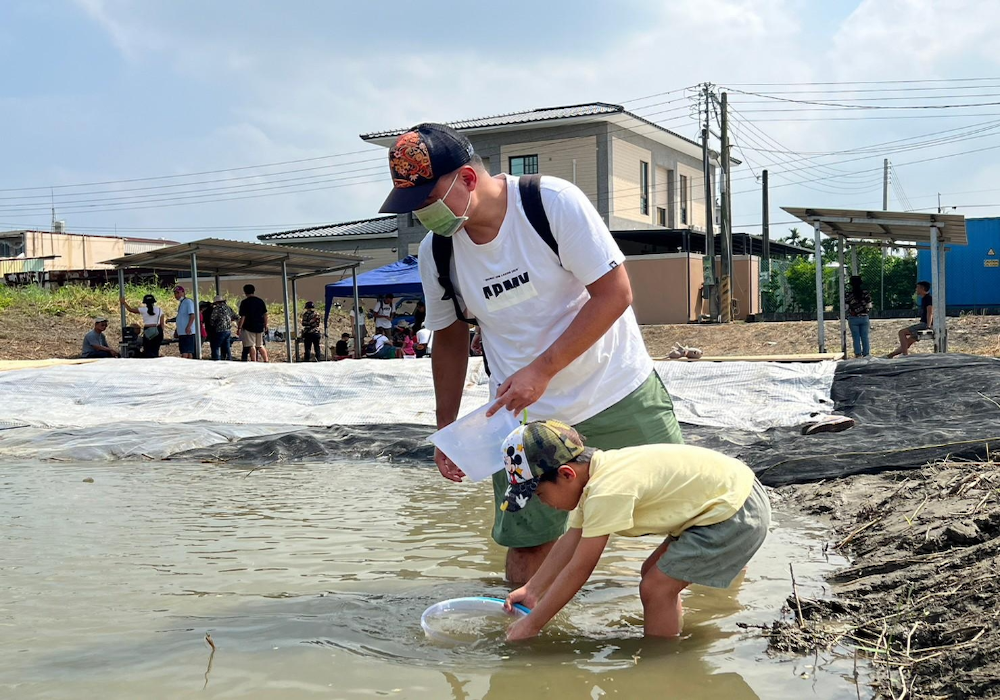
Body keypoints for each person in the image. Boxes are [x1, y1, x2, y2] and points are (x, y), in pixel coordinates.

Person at [379, 123, 683, 584]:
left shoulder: (551, 203)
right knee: (527, 540)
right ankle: (526, 644)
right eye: (412, 202)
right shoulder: (437, 251)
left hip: (618, 391)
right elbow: (450, 336)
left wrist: (541, 370)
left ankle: (708, 624)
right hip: (525, 423)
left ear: (465, 179)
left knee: (684, 515)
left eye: (427, 197)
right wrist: (448, 432)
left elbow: (614, 293)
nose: (421, 211)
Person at [500, 420, 770, 640]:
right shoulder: (596, 475)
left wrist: (532, 625)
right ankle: (668, 632)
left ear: (567, 474)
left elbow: (579, 569)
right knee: (652, 575)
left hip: (733, 509)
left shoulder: (606, 491)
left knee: (656, 587)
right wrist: (532, 589)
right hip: (728, 495)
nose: (542, 503)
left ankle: (661, 663)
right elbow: (572, 539)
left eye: (539, 494)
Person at [888, 281, 933, 358]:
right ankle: (890, 355)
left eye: (917, 287)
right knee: (906, 343)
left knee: (902, 332)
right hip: (925, 323)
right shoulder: (924, 299)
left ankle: (905, 355)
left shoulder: (928, 298)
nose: (916, 289)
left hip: (925, 324)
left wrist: (928, 326)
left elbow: (930, 312)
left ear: (922, 288)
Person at [120, 294, 164, 358]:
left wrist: (124, 303)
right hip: (158, 330)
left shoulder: (143, 310)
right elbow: (162, 324)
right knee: (155, 350)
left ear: (145, 302)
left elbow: (130, 309)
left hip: (148, 330)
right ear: (154, 302)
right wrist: (161, 332)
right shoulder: (160, 310)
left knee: (147, 350)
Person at [237, 284, 269, 362]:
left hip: (249, 327)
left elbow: (243, 316)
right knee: (260, 345)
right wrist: (265, 325)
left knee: (251, 345)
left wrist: (239, 328)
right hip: (259, 326)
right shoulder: (260, 301)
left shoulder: (244, 302)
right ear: (254, 291)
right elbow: (265, 314)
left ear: (245, 292)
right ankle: (266, 360)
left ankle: (254, 361)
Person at [846, 275, 873, 358]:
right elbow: (869, 305)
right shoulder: (865, 293)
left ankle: (858, 354)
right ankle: (866, 354)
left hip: (853, 318)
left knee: (856, 337)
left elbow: (846, 307)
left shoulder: (848, 295)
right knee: (865, 336)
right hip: (864, 317)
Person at [208, 295, 238, 361]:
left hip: (220, 330)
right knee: (227, 347)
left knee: (215, 346)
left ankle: (216, 360)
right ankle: (229, 359)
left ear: (216, 302)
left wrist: (213, 326)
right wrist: (229, 319)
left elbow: (212, 320)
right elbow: (236, 316)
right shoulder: (228, 308)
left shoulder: (216, 309)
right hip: (228, 330)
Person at [172, 285, 197, 359]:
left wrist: (189, 326)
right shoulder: (182, 303)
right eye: (175, 293)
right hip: (182, 331)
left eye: (178, 293)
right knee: (186, 351)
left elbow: (192, 315)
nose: (176, 295)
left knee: (186, 351)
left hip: (187, 332)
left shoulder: (188, 302)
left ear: (183, 292)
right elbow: (181, 317)